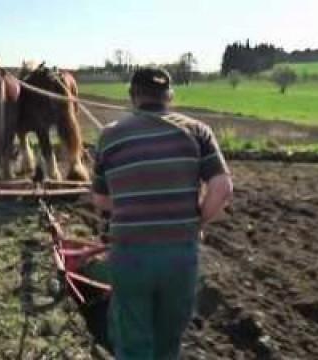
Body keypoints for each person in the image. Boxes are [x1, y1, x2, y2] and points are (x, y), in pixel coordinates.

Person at [91, 67, 233, 359]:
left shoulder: (109, 136)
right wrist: (196, 221)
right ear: (169, 96)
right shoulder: (197, 131)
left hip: (131, 254)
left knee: (133, 341)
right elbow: (222, 188)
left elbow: (102, 200)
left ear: (133, 96)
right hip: (180, 255)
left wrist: (134, 205)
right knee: (168, 343)